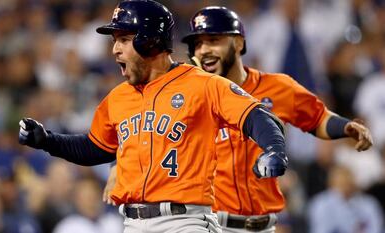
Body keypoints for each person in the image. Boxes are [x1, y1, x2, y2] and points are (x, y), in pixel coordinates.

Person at [18, 1, 288, 233]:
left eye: (124, 40)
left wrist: (274, 148)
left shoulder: (203, 85)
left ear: (149, 41)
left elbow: (256, 115)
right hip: (133, 223)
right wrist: (48, 140)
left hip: (185, 221)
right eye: (115, 41)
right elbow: (95, 148)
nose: (115, 50)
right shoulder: (118, 97)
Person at [178, 6, 372, 233]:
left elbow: (317, 117)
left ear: (239, 43)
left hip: (267, 224)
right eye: (197, 44)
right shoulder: (189, 99)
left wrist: (346, 127)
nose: (204, 50)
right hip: (212, 224)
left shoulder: (277, 87)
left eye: (213, 40)